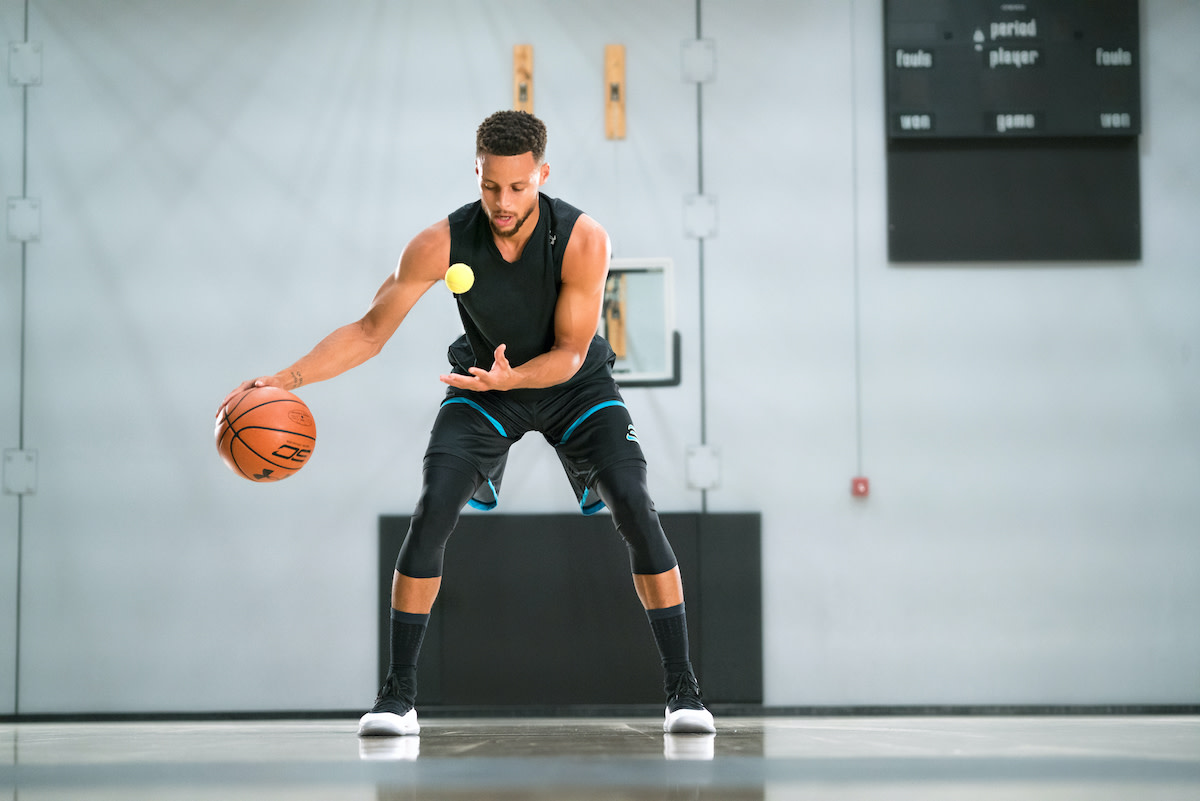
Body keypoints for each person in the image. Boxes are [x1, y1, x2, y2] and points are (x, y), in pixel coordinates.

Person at [221, 110, 715, 737]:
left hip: (573, 386)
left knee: (636, 507)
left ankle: (684, 692)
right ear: (476, 172)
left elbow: (567, 353)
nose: (502, 202)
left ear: (541, 174)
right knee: (432, 510)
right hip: (483, 386)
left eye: (517, 187)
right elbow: (371, 331)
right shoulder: (441, 242)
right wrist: (283, 380)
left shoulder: (584, 238)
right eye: (490, 186)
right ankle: (398, 696)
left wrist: (516, 378)